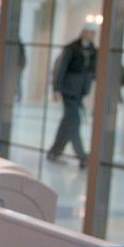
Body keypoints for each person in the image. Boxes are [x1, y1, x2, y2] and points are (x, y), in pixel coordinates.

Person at [46, 24, 97, 168]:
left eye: (93, 33)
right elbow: (60, 69)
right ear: (83, 32)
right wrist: (56, 88)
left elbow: (94, 71)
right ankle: (82, 155)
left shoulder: (93, 51)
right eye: (89, 32)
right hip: (69, 91)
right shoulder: (71, 48)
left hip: (80, 92)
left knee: (68, 123)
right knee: (74, 121)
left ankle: (55, 151)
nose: (91, 36)